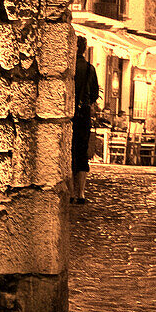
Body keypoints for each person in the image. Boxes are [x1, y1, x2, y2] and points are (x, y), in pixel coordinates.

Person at [72, 34, 99, 204]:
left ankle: (69, 193)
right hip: (84, 115)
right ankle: (80, 193)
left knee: (68, 152)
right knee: (82, 153)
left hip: (69, 116)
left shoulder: (69, 67)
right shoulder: (90, 69)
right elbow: (95, 93)